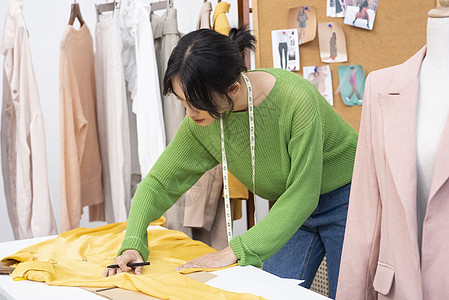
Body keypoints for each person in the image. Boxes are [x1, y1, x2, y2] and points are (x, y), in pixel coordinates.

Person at [104, 26, 358, 299]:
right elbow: (158, 184)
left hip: (349, 198)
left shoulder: (297, 100)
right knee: (266, 293)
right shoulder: (203, 120)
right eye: (183, 102)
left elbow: (304, 193)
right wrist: (133, 243)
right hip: (290, 204)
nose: (189, 113)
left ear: (233, 88)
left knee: (351, 292)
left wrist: (234, 250)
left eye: (196, 104)